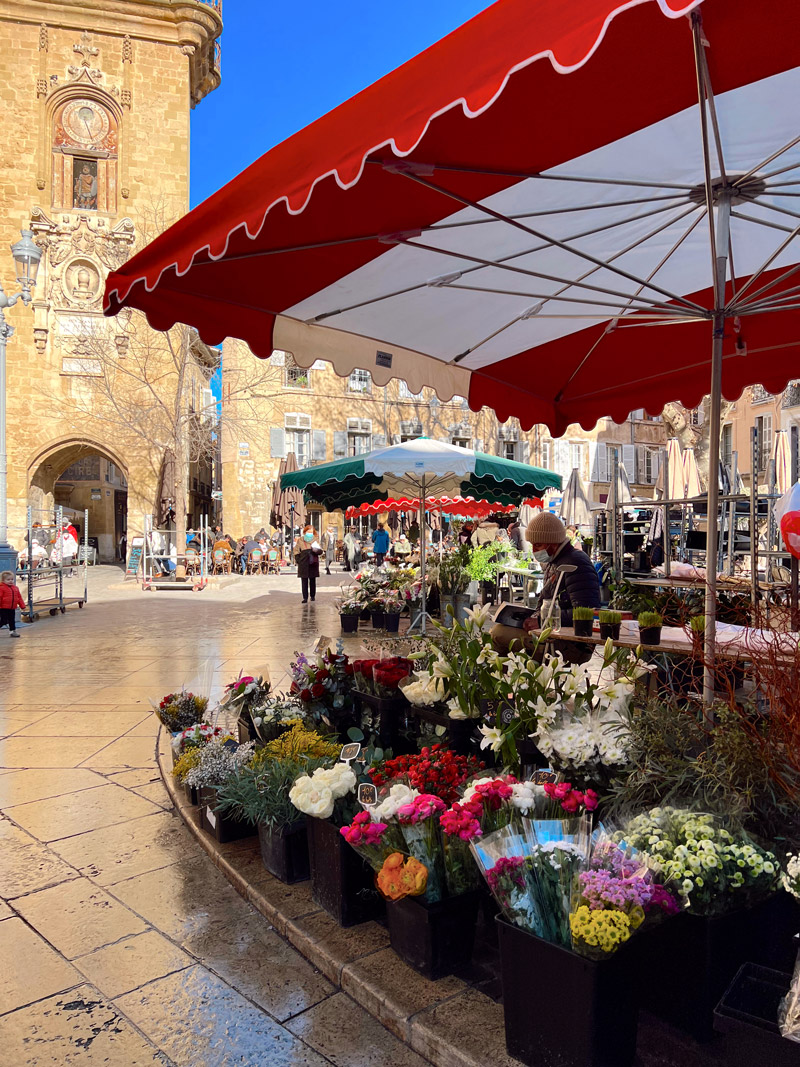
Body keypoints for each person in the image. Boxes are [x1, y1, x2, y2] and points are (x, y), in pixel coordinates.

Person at [491, 512, 601, 664]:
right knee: (500, 629)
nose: (535, 550)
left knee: (498, 633)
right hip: (552, 634)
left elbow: (588, 612)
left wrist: (543, 620)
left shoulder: (576, 562)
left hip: (570, 644)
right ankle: (516, 680)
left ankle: (510, 681)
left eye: (539, 545)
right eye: (533, 545)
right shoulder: (555, 561)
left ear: (553, 543)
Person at [294, 525, 322, 602]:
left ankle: (312, 596)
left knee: (312, 579)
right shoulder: (300, 540)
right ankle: (305, 597)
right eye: (308, 531)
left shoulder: (316, 539)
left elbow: (320, 550)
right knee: (304, 580)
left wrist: (317, 550)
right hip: (303, 561)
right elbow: (296, 550)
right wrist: (298, 559)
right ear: (305, 532)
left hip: (313, 561)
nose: (309, 533)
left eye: (311, 532)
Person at [0, 570, 25, 638]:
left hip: (12, 607)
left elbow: (19, 597)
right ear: (3, 580)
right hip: (3, 608)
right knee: (3, 621)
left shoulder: (15, 588)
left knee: (12, 620)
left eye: (12, 579)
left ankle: (13, 631)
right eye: (8, 579)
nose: (10, 581)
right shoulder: (1, 588)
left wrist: (22, 605)